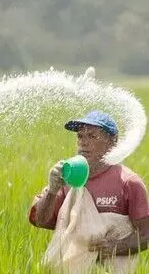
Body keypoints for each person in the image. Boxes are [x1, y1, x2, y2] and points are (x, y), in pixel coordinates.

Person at [29, 110, 149, 260]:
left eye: (92, 136)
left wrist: (116, 247)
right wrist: (52, 190)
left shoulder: (129, 182)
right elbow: (40, 221)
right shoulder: (66, 178)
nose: (83, 142)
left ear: (112, 142)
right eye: (80, 136)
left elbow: (146, 234)